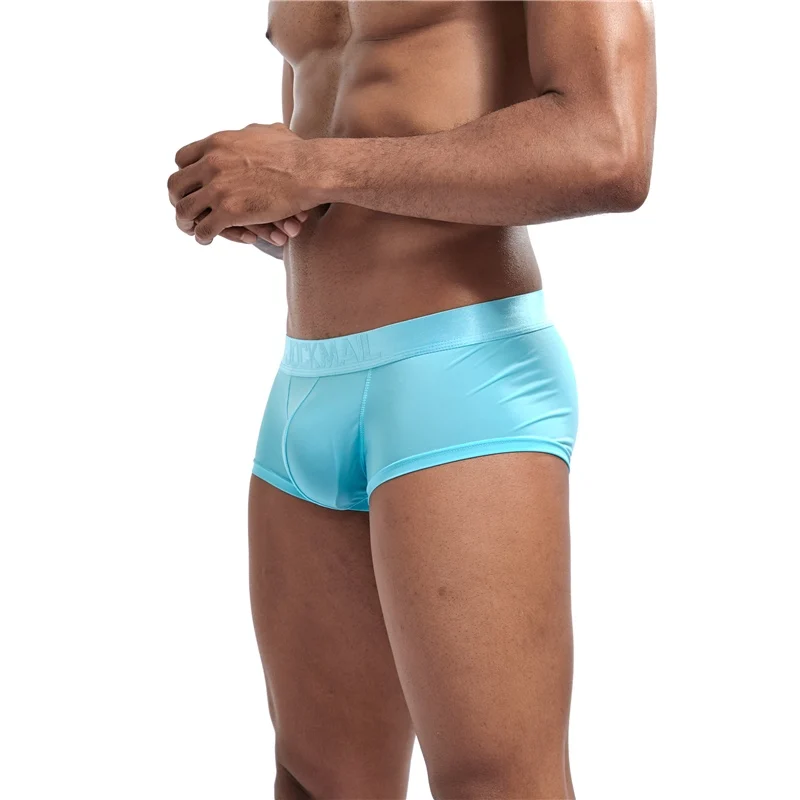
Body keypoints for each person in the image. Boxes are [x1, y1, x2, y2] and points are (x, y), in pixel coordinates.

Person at [166, 2, 656, 797]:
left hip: (457, 376)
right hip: (306, 381)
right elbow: (349, 135)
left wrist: (315, 169)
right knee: (316, 781)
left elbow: (609, 147)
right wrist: (262, 200)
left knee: (495, 785)